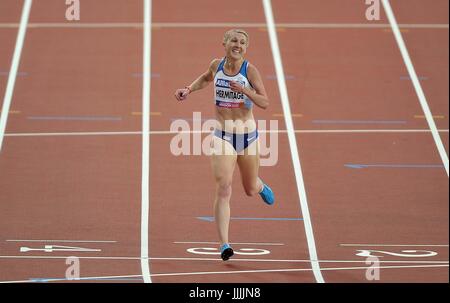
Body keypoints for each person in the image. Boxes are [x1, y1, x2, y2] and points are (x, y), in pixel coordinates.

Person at [174, 29, 275, 261]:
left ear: (246, 47)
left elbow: (265, 102)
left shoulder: (250, 70)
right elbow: (206, 78)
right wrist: (188, 89)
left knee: (249, 188)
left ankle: (260, 187)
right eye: (234, 41)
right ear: (224, 43)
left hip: (247, 137)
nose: (237, 45)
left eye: (242, 42)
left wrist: (245, 90)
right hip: (223, 137)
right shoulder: (216, 65)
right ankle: (224, 244)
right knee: (224, 187)